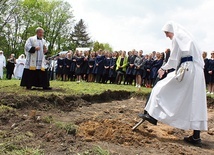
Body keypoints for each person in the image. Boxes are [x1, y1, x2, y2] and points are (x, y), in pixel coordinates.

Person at [139, 21, 207, 146]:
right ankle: (196, 136)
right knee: (195, 101)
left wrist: (163, 68)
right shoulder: (189, 39)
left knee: (160, 87)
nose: (167, 36)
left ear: (173, 31)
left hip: (187, 69)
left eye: (167, 33)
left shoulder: (177, 38)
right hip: (197, 73)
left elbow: (174, 59)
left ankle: (153, 115)